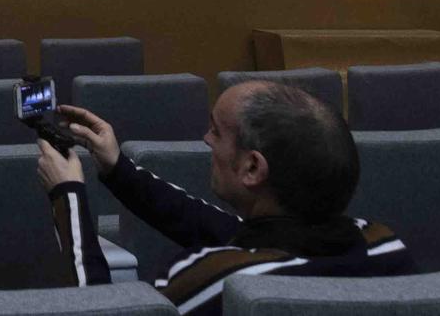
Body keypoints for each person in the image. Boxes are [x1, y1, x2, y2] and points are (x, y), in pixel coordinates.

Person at [37, 81, 413, 313]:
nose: (206, 139)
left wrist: (67, 196)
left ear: (252, 168)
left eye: (216, 131)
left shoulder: (217, 280)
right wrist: (117, 168)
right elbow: (225, 230)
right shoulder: (383, 246)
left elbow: (102, 313)